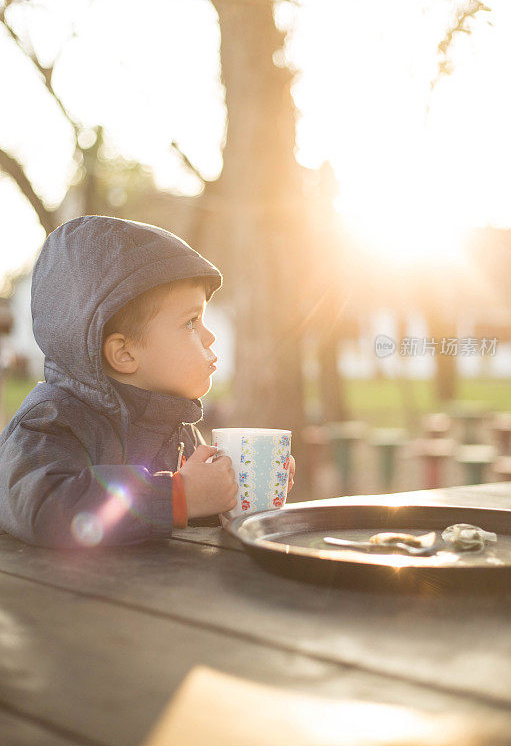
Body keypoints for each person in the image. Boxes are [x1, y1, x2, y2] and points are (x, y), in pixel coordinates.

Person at [0, 215, 295, 548]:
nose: (210, 336)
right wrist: (176, 497)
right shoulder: (50, 421)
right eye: (190, 322)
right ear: (124, 353)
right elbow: (45, 508)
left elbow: (182, 521)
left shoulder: (179, 432)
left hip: (147, 594)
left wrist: (233, 493)